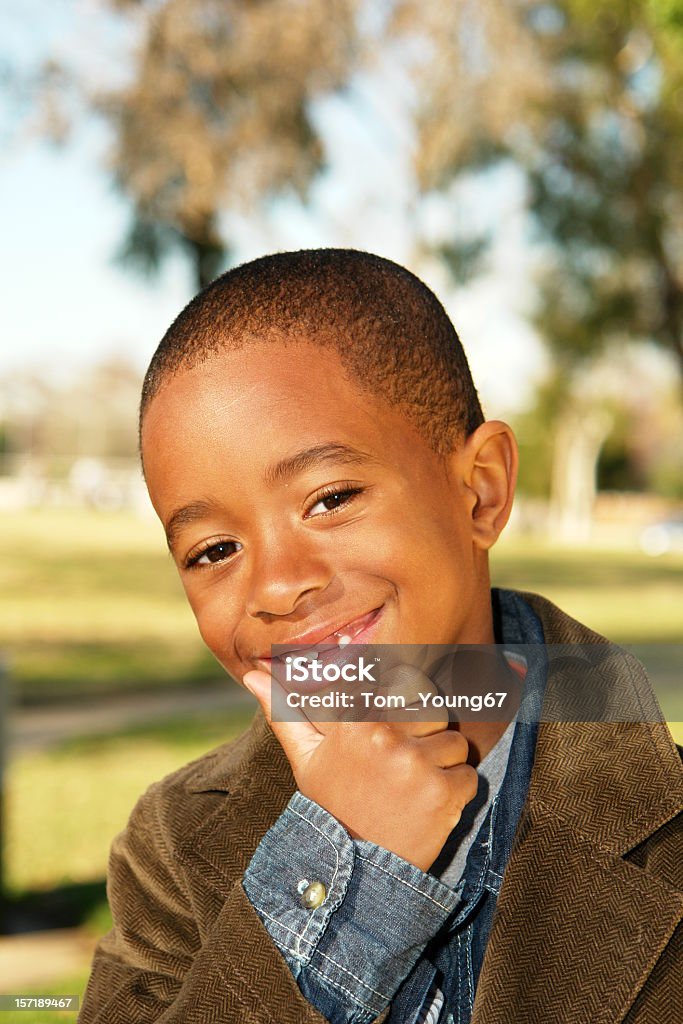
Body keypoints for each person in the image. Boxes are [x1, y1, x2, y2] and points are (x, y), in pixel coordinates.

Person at [79, 250, 683, 1024]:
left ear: (481, 490)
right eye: (214, 551)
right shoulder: (174, 845)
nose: (274, 585)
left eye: (329, 499)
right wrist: (338, 876)